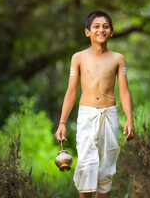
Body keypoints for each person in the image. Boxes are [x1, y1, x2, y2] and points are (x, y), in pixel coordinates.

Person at [55, 11, 135, 198]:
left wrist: (129, 119)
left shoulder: (118, 58)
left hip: (110, 115)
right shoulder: (78, 58)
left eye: (105, 26)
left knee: (106, 164)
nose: (101, 30)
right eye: (96, 26)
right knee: (86, 164)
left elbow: (124, 91)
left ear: (112, 32)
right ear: (87, 32)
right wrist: (62, 122)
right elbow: (72, 91)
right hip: (87, 115)